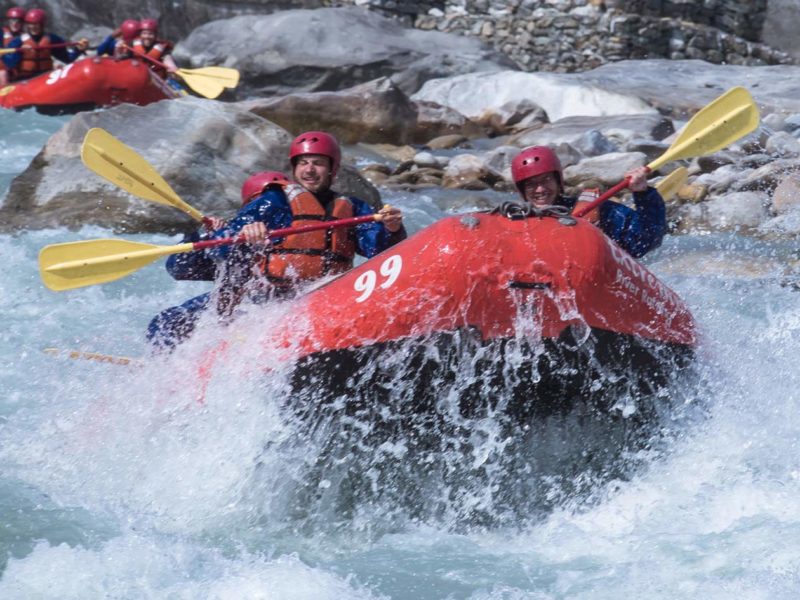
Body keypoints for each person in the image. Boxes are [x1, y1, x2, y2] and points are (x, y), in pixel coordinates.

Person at [510, 146, 666, 258]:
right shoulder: (513, 222)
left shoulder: (597, 209)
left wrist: (643, 195)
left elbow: (646, 241)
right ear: (522, 191)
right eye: (531, 184)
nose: (540, 190)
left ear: (558, 182)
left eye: (546, 180)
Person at [2, 8, 89, 80]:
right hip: (25, 79)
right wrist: (20, 52)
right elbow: (9, 63)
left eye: (36, 24)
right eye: (30, 24)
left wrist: (78, 50)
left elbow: (67, 59)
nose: (33, 27)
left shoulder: (52, 39)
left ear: (42, 25)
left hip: (45, 78)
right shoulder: (19, 41)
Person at [0, 6, 25, 86]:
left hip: (18, 72)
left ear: (22, 23)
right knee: (2, 73)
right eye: (12, 20)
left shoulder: (26, 36)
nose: (15, 24)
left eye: (18, 21)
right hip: (3, 69)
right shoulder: (1, 33)